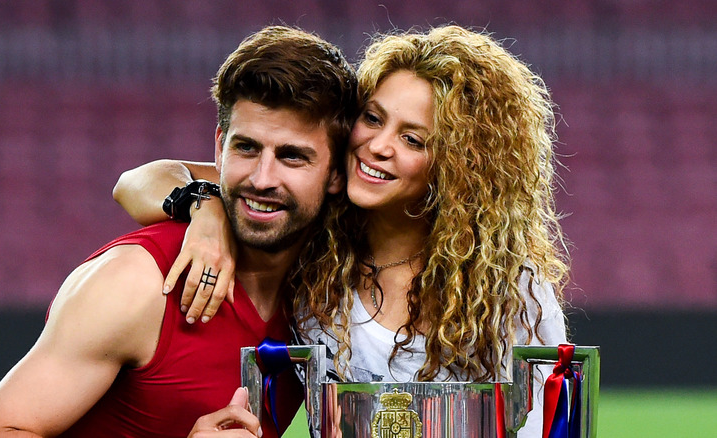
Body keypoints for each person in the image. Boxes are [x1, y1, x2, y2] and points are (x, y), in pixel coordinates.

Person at [114, 25, 569, 437]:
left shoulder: (510, 288)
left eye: (412, 139)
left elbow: (547, 425)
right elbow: (138, 182)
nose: (377, 145)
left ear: (457, 165)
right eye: (372, 118)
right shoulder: (311, 230)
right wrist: (206, 208)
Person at [0, 25, 357, 438]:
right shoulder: (136, 283)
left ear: (335, 173)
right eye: (246, 148)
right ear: (219, 147)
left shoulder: (325, 283)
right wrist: (203, 206)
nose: (262, 178)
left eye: (292, 157)